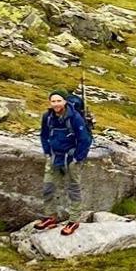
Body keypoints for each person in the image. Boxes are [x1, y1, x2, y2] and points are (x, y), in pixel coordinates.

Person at [37, 91, 92, 235]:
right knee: (48, 187)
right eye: (53, 101)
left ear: (65, 102)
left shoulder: (75, 118)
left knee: (73, 189)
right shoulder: (47, 117)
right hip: (54, 157)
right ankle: (51, 217)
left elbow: (85, 140)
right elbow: (43, 135)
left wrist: (77, 159)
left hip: (71, 158)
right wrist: (48, 151)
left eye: (58, 101)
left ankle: (74, 220)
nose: (56, 104)